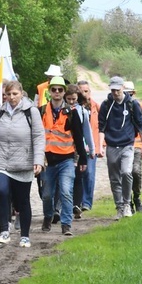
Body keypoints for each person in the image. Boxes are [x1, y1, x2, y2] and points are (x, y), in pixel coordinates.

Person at [0, 82, 45, 247]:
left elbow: (38, 136)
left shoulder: (32, 112)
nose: (11, 97)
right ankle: (4, 230)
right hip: (1, 160)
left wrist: (38, 160)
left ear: (21, 93)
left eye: (15, 94)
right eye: (8, 95)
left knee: (22, 200)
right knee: (0, 190)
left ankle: (25, 235)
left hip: (23, 162)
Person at [40, 76, 88, 236]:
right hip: (47, 161)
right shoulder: (41, 111)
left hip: (66, 160)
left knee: (66, 191)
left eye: (60, 89)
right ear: (50, 91)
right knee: (46, 195)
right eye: (54, 89)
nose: (57, 92)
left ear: (63, 91)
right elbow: (37, 136)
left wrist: (83, 158)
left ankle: (66, 224)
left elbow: (78, 136)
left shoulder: (71, 113)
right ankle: (48, 216)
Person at [98, 76, 142, 220]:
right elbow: (101, 127)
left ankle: (127, 204)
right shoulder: (106, 105)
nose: (115, 93)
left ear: (123, 89)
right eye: (112, 90)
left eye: (117, 90)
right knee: (114, 178)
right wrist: (101, 146)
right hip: (112, 145)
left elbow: (140, 126)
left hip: (127, 145)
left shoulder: (132, 104)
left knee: (127, 172)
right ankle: (119, 207)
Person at [64, 84, 95, 219]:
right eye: (69, 99)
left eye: (74, 99)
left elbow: (87, 132)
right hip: (64, 147)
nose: (71, 102)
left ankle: (76, 204)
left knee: (78, 176)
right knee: (65, 178)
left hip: (79, 148)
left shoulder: (82, 111)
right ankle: (63, 205)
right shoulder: (61, 111)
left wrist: (91, 149)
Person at [123, 81, 142, 213]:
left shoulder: (140, 106)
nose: (127, 95)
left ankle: (137, 197)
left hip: (138, 145)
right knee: (125, 173)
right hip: (123, 145)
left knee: (136, 171)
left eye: (129, 93)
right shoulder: (117, 108)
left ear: (133, 93)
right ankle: (127, 202)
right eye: (124, 93)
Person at [77, 80, 102, 211]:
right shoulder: (73, 107)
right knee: (77, 174)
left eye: (86, 91)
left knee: (89, 173)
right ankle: (77, 201)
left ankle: (87, 202)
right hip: (77, 147)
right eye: (81, 91)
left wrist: (101, 145)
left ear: (90, 92)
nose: (84, 94)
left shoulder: (96, 107)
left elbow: (102, 127)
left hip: (92, 146)